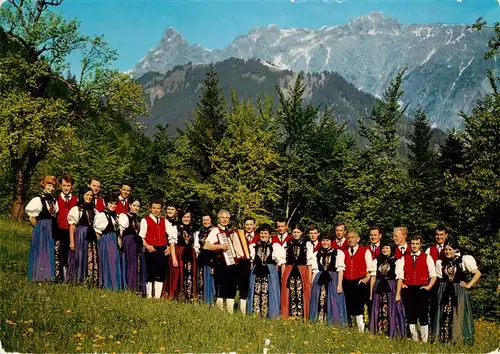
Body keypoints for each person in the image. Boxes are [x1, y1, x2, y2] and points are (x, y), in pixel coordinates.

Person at [433, 241, 481, 345]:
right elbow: (440, 277)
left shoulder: (463, 260)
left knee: (458, 314)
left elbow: (477, 273)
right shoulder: (440, 262)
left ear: (456, 250)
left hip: (458, 291)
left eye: (450, 249)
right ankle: (443, 339)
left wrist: (469, 285)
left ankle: (457, 340)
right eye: (446, 249)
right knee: (444, 314)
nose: (447, 252)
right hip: (444, 290)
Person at [396, 235, 436, 342]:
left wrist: (428, 287)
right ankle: (414, 339)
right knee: (410, 314)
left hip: (422, 289)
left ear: (421, 245)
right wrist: (402, 285)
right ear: (410, 244)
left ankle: (424, 340)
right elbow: (400, 275)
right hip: (409, 289)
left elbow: (433, 275)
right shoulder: (404, 257)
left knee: (423, 314)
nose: (414, 246)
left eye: (417, 243)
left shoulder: (427, 257)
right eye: (412, 243)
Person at [204, 209, 240, 313]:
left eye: (226, 218)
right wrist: (220, 246)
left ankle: (230, 311)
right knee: (221, 288)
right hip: (220, 263)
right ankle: (219, 311)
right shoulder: (215, 230)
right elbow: (206, 246)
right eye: (222, 217)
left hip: (231, 264)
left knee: (231, 287)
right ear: (218, 218)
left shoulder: (230, 231)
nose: (224, 220)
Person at [139, 198, 175, 299]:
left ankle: (157, 297)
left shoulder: (165, 221)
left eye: (158, 208)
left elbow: (171, 236)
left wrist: (169, 248)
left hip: (162, 249)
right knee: (150, 272)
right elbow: (141, 237)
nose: (156, 210)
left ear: (161, 209)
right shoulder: (145, 220)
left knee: (160, 272)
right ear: (150, 209)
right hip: (151, 248)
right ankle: (149, 295)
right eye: (154, 208)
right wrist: (147, 246)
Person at [309, 232, 348, 327]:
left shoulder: (338, 253)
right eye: (323, 240)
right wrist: (312, 284)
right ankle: (319, 321)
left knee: (333, 301)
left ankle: (332, 322)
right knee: (319, 300)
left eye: (327, 240)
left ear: (331, 242)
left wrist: (339, 284)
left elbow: (340, 270)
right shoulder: (316, 254)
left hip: (332, 279)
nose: (325, 242)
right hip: (320, 279)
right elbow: (315, 270)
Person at [369, 239, 406, 338]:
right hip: (378, 287)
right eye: (383, 248)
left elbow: (399, 278)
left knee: (392, 309)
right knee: (377, 308)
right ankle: (378, 332)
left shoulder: (397, 261)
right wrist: (371, 293)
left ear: (391, 249)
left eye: (387, 248)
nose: (385, 250)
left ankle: (392, 332)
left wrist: (398, 293)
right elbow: (373, 277)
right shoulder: (377, 260)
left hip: (391, 286)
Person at [26, 176, 59, 282]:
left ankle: (47, 276)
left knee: (48, 250)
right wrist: (38, 229)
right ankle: (38, 276)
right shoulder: (38, 199)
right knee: (40, 250)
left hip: (51, 228)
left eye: (53, 186)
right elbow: (31, 218)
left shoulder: (54, 200)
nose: (51, 188)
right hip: (41, 228)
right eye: (49, 185)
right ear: (44, 185)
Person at [247, 224, 284, 319]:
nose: (263, 235)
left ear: (269, 234)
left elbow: (279, 261)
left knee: (269, 291)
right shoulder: (254, 245)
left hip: (269, 271)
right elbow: (251, 259)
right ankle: (256, 314)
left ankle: (269, 315)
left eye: (265, 233)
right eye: (261, 233)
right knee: (256, 291)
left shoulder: (275, 246)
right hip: (257, 271)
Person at [280, 223, 314, 320]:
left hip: (302, 269)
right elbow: (283, 261)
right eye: (294, 232)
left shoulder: (307, 244)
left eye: (298, 232)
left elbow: (310, 262)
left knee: (301, 292)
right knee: (290, 292)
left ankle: (302, 316)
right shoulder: (287, 243)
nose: (295, 234)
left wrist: (309, 277)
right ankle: (290, 315)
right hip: (289, 270)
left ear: (302, 233)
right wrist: (283, 276)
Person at [342, 231, 374, 332]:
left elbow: (370, 268)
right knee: (348, 305)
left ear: (358, 239)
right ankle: (351, 327)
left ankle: (361, 329)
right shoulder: (344, 251)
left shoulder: (365, 251)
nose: (350, 240)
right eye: (348, 238)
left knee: (359, 306)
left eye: (352, 237)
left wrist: (365, 279)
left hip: (360, 282)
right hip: (347, 281)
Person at [67, 187, 99, 287]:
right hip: (80, 234)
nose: (89, 197)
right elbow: (72, 227)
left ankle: (88, 280)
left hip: (91, 236)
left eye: (91, 195)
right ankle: (77, 279)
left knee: (89, 256)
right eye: (87, 195)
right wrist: (72, 241)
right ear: (82, 196)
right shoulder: (77, 209)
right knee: (80, 256)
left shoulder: (94, 210)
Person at [94, 193, 123, 291]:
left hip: (114, 240)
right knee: (107, 262)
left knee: (114, 262)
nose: (113, 206)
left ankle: (115, 285)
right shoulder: (102, 215)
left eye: (115, 204)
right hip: (106, 240)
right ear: (106, 203)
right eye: (111, 203)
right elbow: (97, 232)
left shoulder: (116, 216)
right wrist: (100, 245)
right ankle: (107, 285)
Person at [118, 196, 146, 295]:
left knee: (137, 264)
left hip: (137, 242)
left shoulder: (140, 219)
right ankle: (129, 286)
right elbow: (121, 231)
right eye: (134, 205)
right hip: (128, 242)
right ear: (129, 205)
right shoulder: (124, 216)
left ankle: (137, 287)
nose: (136, 208)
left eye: (138, 206)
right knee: (129, 263)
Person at [169, 207, 198, 300]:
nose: (186, 219)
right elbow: (172, 243)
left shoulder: (193, 229)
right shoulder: (175, 227)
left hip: (190, 253)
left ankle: (188, 296)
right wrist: (174, 258)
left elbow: (195, 244)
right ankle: (177, 296)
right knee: (178, 274)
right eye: (184, 217)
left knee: (189, 274)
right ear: (181, 217)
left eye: (188, 217)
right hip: (178, 253)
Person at [426, 225, 449, 340]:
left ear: (446, 235)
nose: (439, 237)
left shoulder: (451, 248)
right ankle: (432, 332)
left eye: (441, 235)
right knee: (433, 307)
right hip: (433, 282)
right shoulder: (430, 250)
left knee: (445, 308)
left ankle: (444, 334)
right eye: (437, 235)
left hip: (446, 282)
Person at [55, 173, 78, 282]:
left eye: (68, 185)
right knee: (60, 253)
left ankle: (71, 275)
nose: (66, 188)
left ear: (72, 186)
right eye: (64, 185)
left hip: (72, 231)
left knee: (71, 253)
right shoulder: (56, 198)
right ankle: (60, 276)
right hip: (59, 230)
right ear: (60, 186)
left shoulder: (76, 200)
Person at [236, 216, 256, 313]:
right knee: (243, 288)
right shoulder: (240, 236)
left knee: (253, 287)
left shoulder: (258, 236)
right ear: (244, 225)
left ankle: (252, 309)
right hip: (242, 265)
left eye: (251, 224)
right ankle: (243, 312)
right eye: (247, 224)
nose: (248, 227)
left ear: (254, 225)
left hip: (256, 266)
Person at [195, 213, 216, 304]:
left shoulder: (215, 231)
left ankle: (210, 301)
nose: (205, 222)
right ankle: (201, 300)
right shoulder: (199, 232)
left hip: (211, 258)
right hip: (201, 258)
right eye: (204, 220)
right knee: (201, 279)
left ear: (211, 220)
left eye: (207, 220)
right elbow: (196, 246)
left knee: (210, 280)